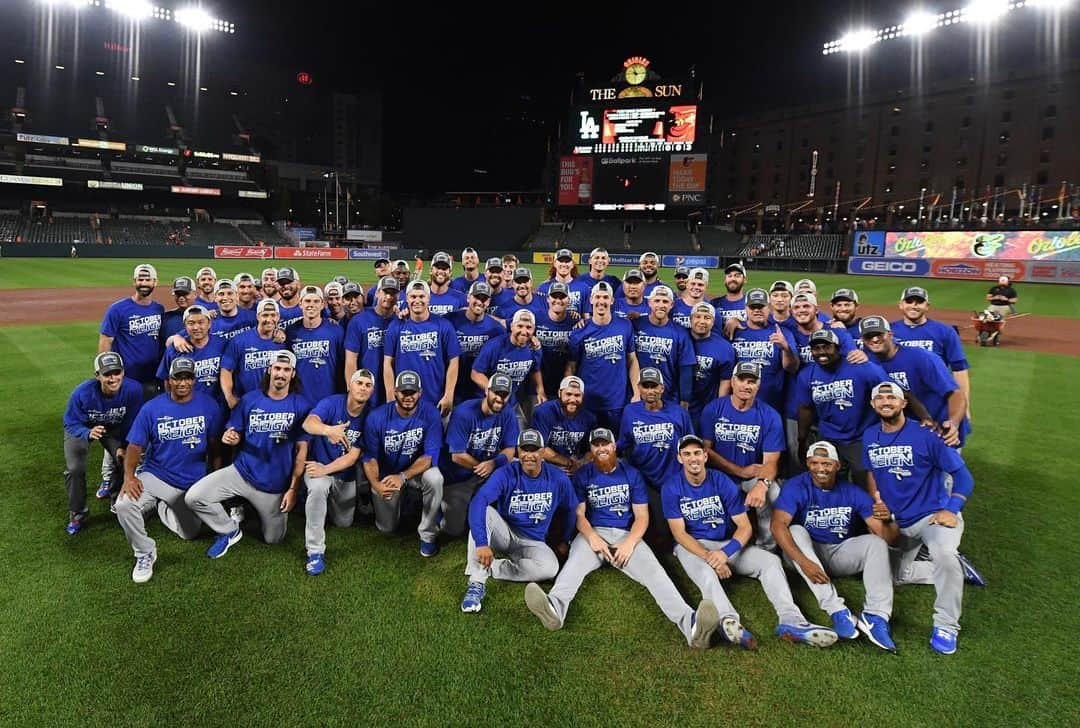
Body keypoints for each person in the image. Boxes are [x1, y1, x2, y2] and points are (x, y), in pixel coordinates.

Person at [523, 428, 722, 649]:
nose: (601, 449)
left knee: (656, 575)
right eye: (596, 445)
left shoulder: (631, 473)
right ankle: (553, 610)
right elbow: (579, 514)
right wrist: (592, 538)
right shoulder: (583, 475)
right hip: (593, 532)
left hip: (627, 534)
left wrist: (629, 543)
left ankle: (693, 628)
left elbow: (642, 517)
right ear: (591, 449)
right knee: (573, 568)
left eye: (605, 444)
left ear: (613, 446)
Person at [665, 434, 838, 649]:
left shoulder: (721, 481)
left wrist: (725, 553)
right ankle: (728, 620)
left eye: (697, 453)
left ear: (705, 455)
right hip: (693, 547)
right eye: (687, 454)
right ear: (680, 458)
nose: (693, 458)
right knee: (706, 573)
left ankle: (791, 620)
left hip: (726, 544)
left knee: (770, 562)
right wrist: (712, 559)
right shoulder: (671, 487)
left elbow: (744, 526)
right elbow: (680, 534)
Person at [863, 381, 979, 655]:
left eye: (892, 397)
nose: (886, 401)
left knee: (944, 556)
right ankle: (957, 569)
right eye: (880, 398)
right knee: (895, 575)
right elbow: (871, 473)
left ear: (904, 403)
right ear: (873, 405)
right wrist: (877, 502)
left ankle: (946, 625)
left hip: (932, 518)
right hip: (898, 521)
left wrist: (952, 509)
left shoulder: (926, 435)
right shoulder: (869, 436)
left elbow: (963, 477)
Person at [771, 441, 899, 652]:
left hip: (838, 552)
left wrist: (890, 519)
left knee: (875, 543)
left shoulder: (852, 491)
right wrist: (804, 562)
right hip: (805, 554)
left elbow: (888, 539)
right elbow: (777, 526)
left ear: (838, 466)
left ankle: (876, 615)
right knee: (795, 530)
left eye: (827, 464)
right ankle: (837, 610)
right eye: (815, 463)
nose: (820, 469)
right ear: (808, 463)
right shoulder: (797, 486)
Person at [185, 350, 311, 558]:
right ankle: (229, 530)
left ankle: (254, 512)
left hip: (274, 485)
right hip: (242, 473)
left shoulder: (301, 405)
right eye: (277, 368)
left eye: (286, 370)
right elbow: (233, 430)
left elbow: (301, 452)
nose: (281, 374)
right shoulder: (250, 400)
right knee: (195, 497)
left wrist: (293, 489)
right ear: (269, 370)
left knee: (274, 539)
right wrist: (230, 435)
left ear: (293, 374)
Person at [115, 357, 224, 583]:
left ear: (194, 380)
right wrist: (129, 477)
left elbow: (215, 449)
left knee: (190, 533)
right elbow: (134, 446)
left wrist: (215, 485)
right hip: (156, 475)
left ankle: (164, 507)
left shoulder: (209, 405)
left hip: (190, 482)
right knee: (123, 504)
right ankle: (145, 552)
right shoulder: (152, 408)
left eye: (187, 377)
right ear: (169, 381)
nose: (182, 383)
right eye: (177, 378)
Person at [460, 429, 578, 614]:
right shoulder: (506, 473)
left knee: (550, 568)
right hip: (505, 533)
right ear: (518, 451)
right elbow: (479, 501)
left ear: (543, 452)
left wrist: (565, 540)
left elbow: (571, 509)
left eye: (534, 450)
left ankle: (494, 567)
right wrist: (482, 543)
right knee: (486, 512)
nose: (529, 455)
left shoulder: (558, 478)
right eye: (525, 450)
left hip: (533, 541)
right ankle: (477, 582)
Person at [699, 362, 785, 550]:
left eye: (752, 381)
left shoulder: (770, 416)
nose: (746, 385)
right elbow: (705, 451)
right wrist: (739, 470)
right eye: (741, 380)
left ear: (758, 385)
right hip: (718, 476)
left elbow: (771, 461)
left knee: (773, 493)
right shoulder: (713, 409)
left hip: (752, 477)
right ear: (732, 381)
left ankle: (767, 546)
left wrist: (762, 485)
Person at [299, 368, 375, 576]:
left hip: (343, 473)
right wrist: (328, 429)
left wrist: (328, 469)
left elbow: (353, 456)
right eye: (359, 383)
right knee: (317, 488)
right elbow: (308, 423)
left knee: (343, 522)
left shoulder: (370, 416)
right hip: (318, 468)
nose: (363, 388)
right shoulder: (332, 403)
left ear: (372, 391)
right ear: (350, 385)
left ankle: (332, 502)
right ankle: (315, 552)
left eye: (368, 385)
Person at [361, 370, 445, 557]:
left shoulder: (430, 413)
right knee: (387, 528)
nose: (408, 397)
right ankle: (404, 503)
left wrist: (403, 477)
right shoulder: (377, 417)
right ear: (395, 392)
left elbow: (429, 457)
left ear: (420, 393)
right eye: (404, 392)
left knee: (435, 478)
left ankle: (428, 534)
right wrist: (376, 484)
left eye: (412, 392)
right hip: (387, 476)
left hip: (413, 473)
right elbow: (370, 458)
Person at [795, 329, 891, 487]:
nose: (821, 352)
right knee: (830, 482)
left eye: (826, 347)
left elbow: (891, 392)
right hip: (829, 436)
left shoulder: (861, 367)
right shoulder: (807, 375)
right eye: (816, 348)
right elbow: (806, 408)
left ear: (838, 348)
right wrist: (802, 439)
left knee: (865, 480)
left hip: (861, 437)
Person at [62, 352, 144, 534]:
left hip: (113, 428)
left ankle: (116, 499)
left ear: (123, 372)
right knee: (75, 468)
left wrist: (124, 445)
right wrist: (87, 432)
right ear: (97, 376)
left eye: (117, 372)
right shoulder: (82, 393)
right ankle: (77, 512)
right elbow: (70, 422)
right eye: (107, 374)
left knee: (124, 458)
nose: (113, 378)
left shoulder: (133, 390)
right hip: (83, 427)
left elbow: (132, 422)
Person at [859, 316, 969, 447]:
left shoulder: (922, 357)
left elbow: (955, 393)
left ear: (890, 334)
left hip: (941, 426)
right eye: (869, 336)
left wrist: (954, 423)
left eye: (879, 334)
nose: (875, 339)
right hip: (909, 429)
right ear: (862, 340)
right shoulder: (867, 363)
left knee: (948, 466)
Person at [617, 368, 694, 545]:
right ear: (639, 388)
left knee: (669, 533)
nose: (650, 391)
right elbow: (624, 443)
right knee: (656, 533)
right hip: (644, 479)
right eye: (646, 386)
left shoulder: (678, 413)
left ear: (662, 388)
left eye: (654, 386)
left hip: (672, 478)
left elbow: (690, 444)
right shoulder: (630, 412)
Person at [441, 374, 519, 538]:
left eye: (504, 395)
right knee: (453, 530)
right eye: (496, 393)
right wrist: (483, 467)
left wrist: (493, 464)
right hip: (458, 476)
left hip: (488, 469)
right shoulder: (464, 413)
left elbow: (510, 449)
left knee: (518, 467)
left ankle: (510, 515)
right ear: (487, 391)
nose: (499, 398)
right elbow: (457, 456)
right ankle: (441, 509)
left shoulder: (508, 414)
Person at [890, 286, 971, 426]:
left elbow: (959, 370)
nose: (914, 305)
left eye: (919, 302)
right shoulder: (889, 331)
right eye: (909, 301)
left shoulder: (945, 332)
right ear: (901, 304)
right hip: (900, 407)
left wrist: (964, 406)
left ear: (927, 306)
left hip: (937, 404)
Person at [566, 281, 640, 435]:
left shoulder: (625, 326)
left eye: (606, 297)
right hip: (588, 402)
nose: (601, 301)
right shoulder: (579, 331)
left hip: (617, 402)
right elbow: (571, 367)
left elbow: (632, 360)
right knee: (587, 450)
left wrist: (637, 392)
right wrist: (570, 396)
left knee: (616, 449)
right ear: (591, 300)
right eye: (598, 297)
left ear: (612, 301)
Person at [382, 280, 461, 417]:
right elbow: (388, 364)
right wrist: (390, 396)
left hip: (437, 400)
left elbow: (454, 362)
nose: (417, 300)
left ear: (429, 298)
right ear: (407, 298)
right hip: (404, 400)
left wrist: (449, 394)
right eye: (413, 297)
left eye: (421, 296)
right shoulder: (395, 327)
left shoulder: (444, 325)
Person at [99, 263, 165, 401]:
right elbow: (106, 341)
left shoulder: (159, 309)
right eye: (140, 279)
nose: (144, 283)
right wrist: (106, 372)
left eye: (148, 279)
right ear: (134, 281)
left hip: (151, 375)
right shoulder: (117, 309)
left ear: (155, 282)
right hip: (127, 377)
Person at [730, 288, 798, 415]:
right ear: (745, 308)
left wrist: (785, 347)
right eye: (753, 307)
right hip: (738, 403)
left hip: (772, 404)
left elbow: (792, 368)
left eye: (761, 306)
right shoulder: (735, 331)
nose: (757, 310)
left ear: (769, 308)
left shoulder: (782, 333)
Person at [472, 309, 545, 424]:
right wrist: (494, 392)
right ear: (512, 326)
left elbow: (535, 369)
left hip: (511, 404)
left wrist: (540, 390)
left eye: (528, 327)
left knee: (520, 438)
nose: (524, 331)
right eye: (520, 326)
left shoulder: (534, 348)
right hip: (486, 403)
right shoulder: (494, 346)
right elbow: (475, 374)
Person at [633, 285, 697, 407]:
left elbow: (686, 370)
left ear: (671, 305)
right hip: (638, 395)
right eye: (657, 301)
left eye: (665, 301)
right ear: (649, 303)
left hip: (669, 398)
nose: (661, 305)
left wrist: (684, 400)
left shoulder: (680, 333)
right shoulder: (635, 325)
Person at [445, 281, 507, 405]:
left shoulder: (496, 329)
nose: (480, 302)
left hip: (480, 391)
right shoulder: (450, 320)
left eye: (484, 298)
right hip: (454, 388)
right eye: (476, 297)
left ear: (488, 302)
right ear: (468, 297)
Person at [156, 305, 227, 410]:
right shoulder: (174, 349)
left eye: (201, 322)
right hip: (187, 408)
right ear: (184, 326)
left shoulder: (223, 344)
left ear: (209, 324)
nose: (196, 327)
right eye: (191, 323)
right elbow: (167, 380)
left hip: (218, 406)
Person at [220, 299, 286, 409]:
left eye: (273, 315)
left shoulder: (283, 342)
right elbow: (226, 369)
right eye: (265, 315)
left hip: (276, 403)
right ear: (258, 317)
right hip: (245, 403)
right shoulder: (240, 341)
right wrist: (229, 396)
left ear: (278, 317)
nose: (269, 319)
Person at [285, 285, 345, 406]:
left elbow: (342, 364)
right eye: (307, 301)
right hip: (299, 399)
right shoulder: (291, 331)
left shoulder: (336, 330)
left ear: (322, 305)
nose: (311, 305)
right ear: (300, 304)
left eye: (316, 301)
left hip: (329, 398)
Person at [344, 276, 399, 408]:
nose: (388, 297)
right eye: (385, 292)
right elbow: (351, 360)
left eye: (393, 293)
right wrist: (352, 390)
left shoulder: (401, 320)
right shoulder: (359, 321)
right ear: (377, 293)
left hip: (395, 387)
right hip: (367, 386)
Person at [530, 375, 597, 475]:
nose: (572, 399)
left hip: (575, 463)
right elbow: (539, 447)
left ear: (583, 396)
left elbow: (590, 449)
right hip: (546, 463)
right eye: (568, 394)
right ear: (559, 393)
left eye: (577, 395)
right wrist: (568, 463)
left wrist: (580, 464)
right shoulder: (542, 412)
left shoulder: (589, 418)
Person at [687, 302, 735, 431]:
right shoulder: (681, 338)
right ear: (690, 319)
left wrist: (719, 408)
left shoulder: (724, 348)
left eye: (707, 318)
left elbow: (725, 380)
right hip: (680, 404)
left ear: (713, 322)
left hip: (706, 406)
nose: (702, 321)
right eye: (698, 317)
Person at [532, 281, 579, 400]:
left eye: (562, 297)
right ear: (548, 299)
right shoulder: (536, 318)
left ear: (568, 300)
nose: (558, 300)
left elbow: (573, 361)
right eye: (554, 296)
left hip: (563, 383)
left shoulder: (575, 321)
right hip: (536, 385)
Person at [537, 248, 587, 315]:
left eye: (567, 261)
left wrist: (580, 320)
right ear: (554, 263)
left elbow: (587, 317)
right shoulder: (543, 288)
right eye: (561, 261)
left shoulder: (583, 288)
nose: (564, 264)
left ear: (572, 264)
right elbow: (539, 314)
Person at [425, 251, 468, 316]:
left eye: (444, 268)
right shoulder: (420, 298)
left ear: (450, 273)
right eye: (438, 267)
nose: (441, 271)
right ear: (431, 271)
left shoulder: (462, 298)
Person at [715, 262, 748, 337]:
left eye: (737, 276)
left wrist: (738, 321)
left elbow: (760, 325)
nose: (733, 279)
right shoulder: (714, 303)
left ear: (744, 280)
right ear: (725, 280)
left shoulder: (751, 303)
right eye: (729, 276)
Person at [161, 276, 196, 343]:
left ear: (194, 294)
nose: (181, 297)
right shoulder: (167, 318)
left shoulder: (204, 317)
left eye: (185, 294)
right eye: (178, 294)